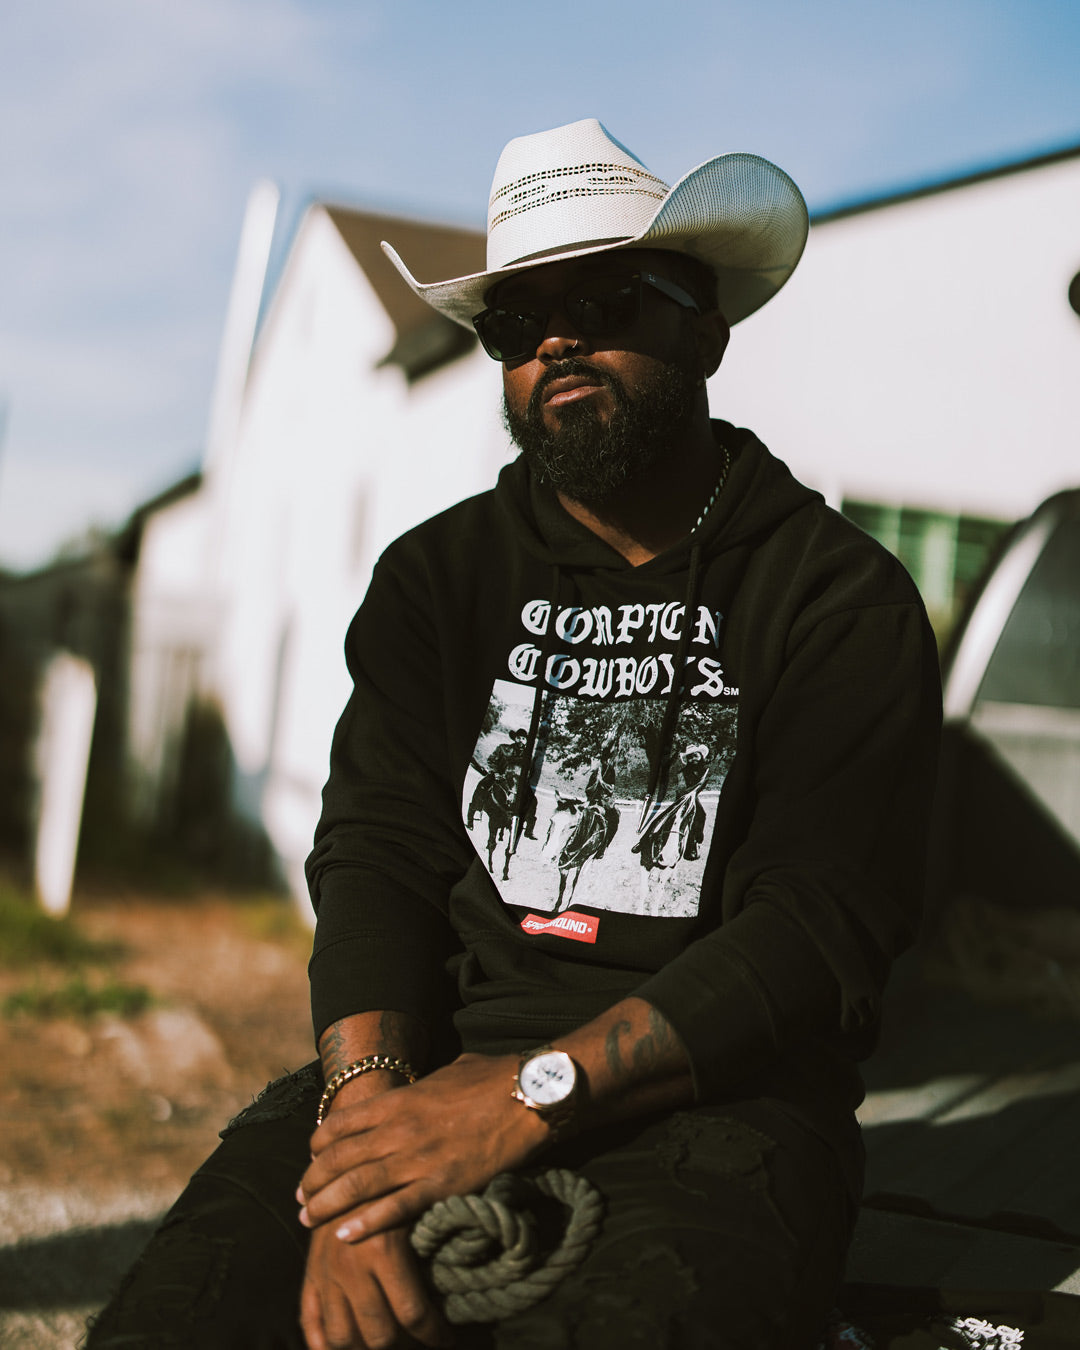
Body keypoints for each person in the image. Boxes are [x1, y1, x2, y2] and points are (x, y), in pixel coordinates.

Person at [87, 118, 941, 1350]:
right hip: (422, 1079)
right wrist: (367, 1131)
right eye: (514, 323)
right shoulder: (436, 581)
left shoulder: (834, 596)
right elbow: (379, 853)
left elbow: (818, 923)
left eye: (602, 302)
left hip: (721, 1106)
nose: (554, 341)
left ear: (706, 328)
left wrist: (532, 1097)